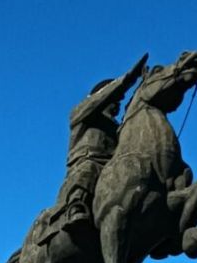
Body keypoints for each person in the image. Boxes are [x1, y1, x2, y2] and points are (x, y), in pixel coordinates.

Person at [39, 53, 148, 241]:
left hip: (111, 166)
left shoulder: (116, 127)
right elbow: (102, 97)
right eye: (114, 98)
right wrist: (128, 80)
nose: (117, 103)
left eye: (119, 101)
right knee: (87, 169)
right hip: (87, 160)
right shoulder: (81, 113)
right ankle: (75, 206)